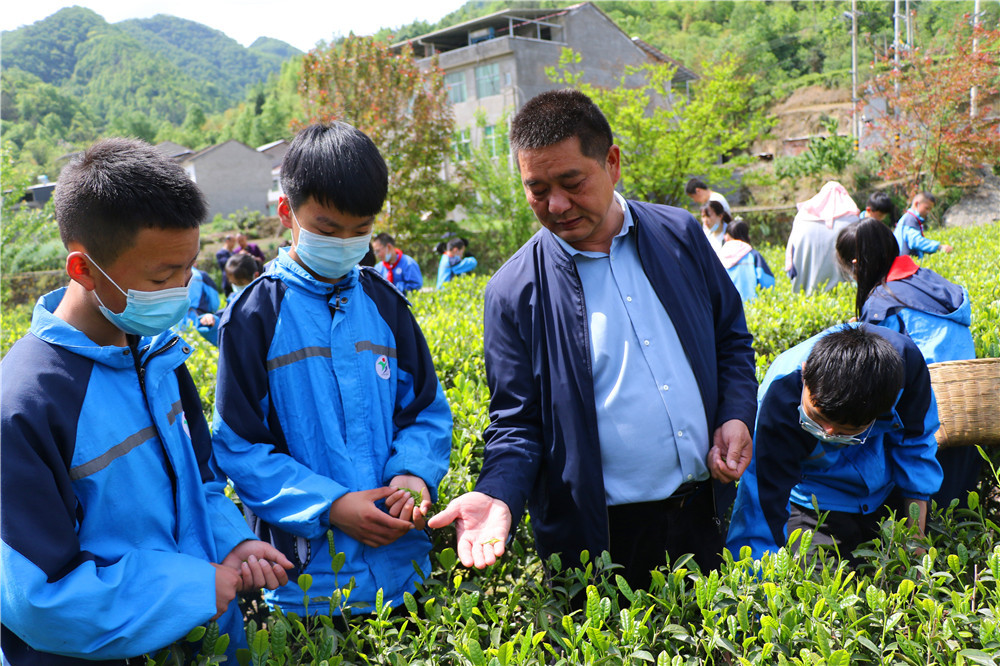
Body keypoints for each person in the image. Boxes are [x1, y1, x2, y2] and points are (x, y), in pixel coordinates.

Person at [428, 90, 758, 590]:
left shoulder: (680, 235)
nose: (556, 205)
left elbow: (730, 338)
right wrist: (497, 494)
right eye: (536, 189)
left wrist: (735, 412)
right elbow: (516, 422)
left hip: (706, 511)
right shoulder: (514, 292)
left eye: (570, 182)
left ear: (612, 162)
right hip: (602, 538)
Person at [0, 137, 292, 664]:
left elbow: (200, 482)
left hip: (204, 634)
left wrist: (232, 542)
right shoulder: (25, 404)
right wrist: (193, 589)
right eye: (162, 277)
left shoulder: (158, 354)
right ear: (83, 270)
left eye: (188, 269)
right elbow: (38, 599)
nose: (182, 289)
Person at [211, 122, 452, 617]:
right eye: (326, 228)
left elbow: (425, 411)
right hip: (308, 593)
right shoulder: (255, 317)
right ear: (287, 213)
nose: (345, 243)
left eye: (359, 230)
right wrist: (332, 506)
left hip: (405, 573)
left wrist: (412, 475)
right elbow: (239, 446)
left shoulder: (387, 304)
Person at [726, 324, 942, 565]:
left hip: (882, 490)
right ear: (806, 374)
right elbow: (762, 499)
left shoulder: (905, 370)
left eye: (844, 432)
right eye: (817, 420)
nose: (826, 435)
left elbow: (916, 447)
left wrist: (914, 541)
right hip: (815, 498)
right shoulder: (781, 392)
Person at [836, 218, 977, 507]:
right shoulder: (930, 281)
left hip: (929, 428)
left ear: (856, 264)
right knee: (961, 516)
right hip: (969, 409)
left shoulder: (882, 303)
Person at [784, 181, 860, 294]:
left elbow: (791, 256)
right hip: (843, 293)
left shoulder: (802, 219)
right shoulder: (852, 221)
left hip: (804, 294)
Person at [195, 253, 262, 346]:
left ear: (256, 276)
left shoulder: (265, 300)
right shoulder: (233, 300)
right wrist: (211, 319)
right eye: (233, 283)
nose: (237, 286)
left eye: (240, 283)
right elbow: (224, 322)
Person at [719, 219, 774, 303]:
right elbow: (767, 283)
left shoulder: (718, 256)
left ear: (726, 237)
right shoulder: (753, 255)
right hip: (751, 306)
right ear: (747, 236)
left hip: (726, 308)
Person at [894, 191, 953, 258]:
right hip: (904, 264)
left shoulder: (909, 218)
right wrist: (939, 247)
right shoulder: (910, 220)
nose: (928, 212)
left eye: (930, 209)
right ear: (916, 204)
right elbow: (916, 241)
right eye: (927, 208)